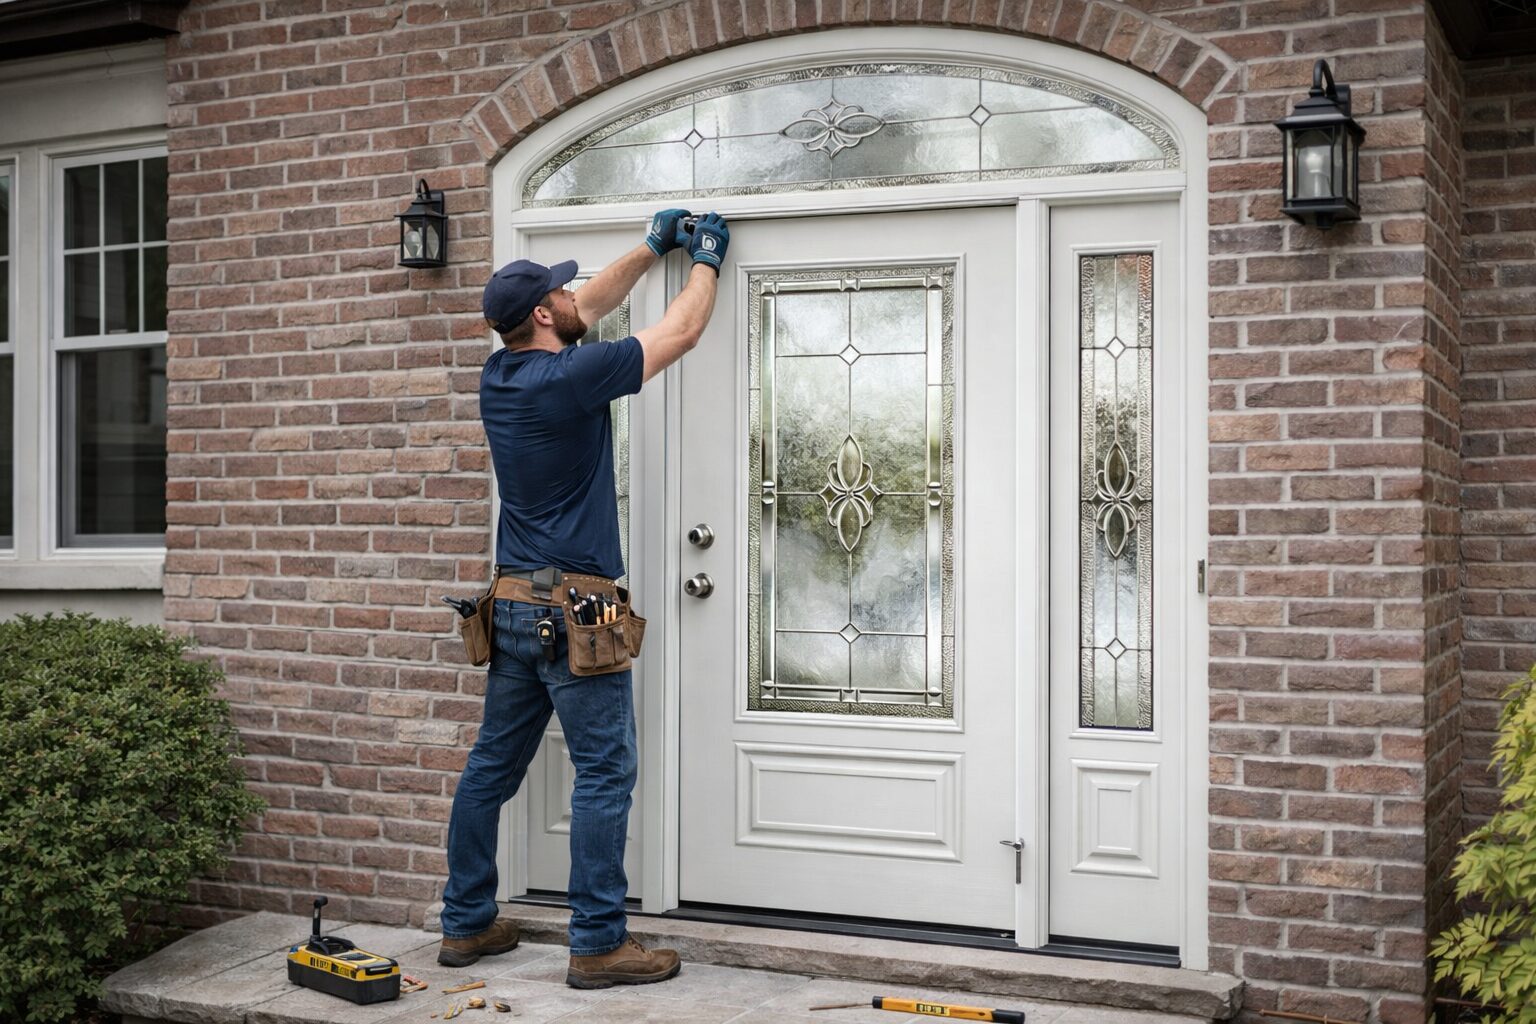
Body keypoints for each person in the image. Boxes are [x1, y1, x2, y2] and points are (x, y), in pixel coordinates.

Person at [436, 209, 730, 989]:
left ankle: (465, 923)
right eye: (561, 293)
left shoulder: (501, 375)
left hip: (511, 605)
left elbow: (587, 306)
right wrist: (706, 260)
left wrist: (651, 246)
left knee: (491, 766)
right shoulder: (571, 377)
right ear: (542, 314)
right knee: (604, 771)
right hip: (577, 612)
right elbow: (681, 333)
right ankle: (598, 943)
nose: (576, 296)